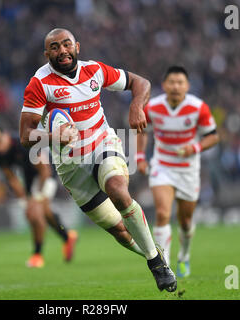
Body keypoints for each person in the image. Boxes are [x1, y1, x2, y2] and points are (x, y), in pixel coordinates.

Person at [19, 28, 177, 292]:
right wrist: (52, 136)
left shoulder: (95, 71)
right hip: (70, 165)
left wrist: (136, 106)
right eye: (55, 47)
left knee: (117, 190)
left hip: (102, 145)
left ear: (77, 46)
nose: (62, 51)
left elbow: (142, 83)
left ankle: (155, 265)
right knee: (119, 231)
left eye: (67, 45)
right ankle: (155, 253)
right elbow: (25, 135)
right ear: (47, 54)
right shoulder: (40, 83)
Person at [136, 66, 219, 277]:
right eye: (171, 82)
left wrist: (195, 148)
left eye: (180, 82)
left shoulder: (198, 107)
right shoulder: (153, 106)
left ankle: (184, 255)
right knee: (163, 213)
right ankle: (164, 266)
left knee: (185, 221)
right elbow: (142, 129)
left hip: (188, 169)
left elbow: (213, 136)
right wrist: (139, 157)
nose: (175, 86)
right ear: (164, 85)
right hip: (162, 166)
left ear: (187, 86)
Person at [0, 131, 78, 268]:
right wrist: (23, 200)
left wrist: (36, 197)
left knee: (36, 214)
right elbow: (12, 179)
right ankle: (67, 236)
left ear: (6, 136)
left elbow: (45, 170)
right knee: (44, 212)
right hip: (30, 178)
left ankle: (37, 255)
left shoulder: (23, 146)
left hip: (47, 174)